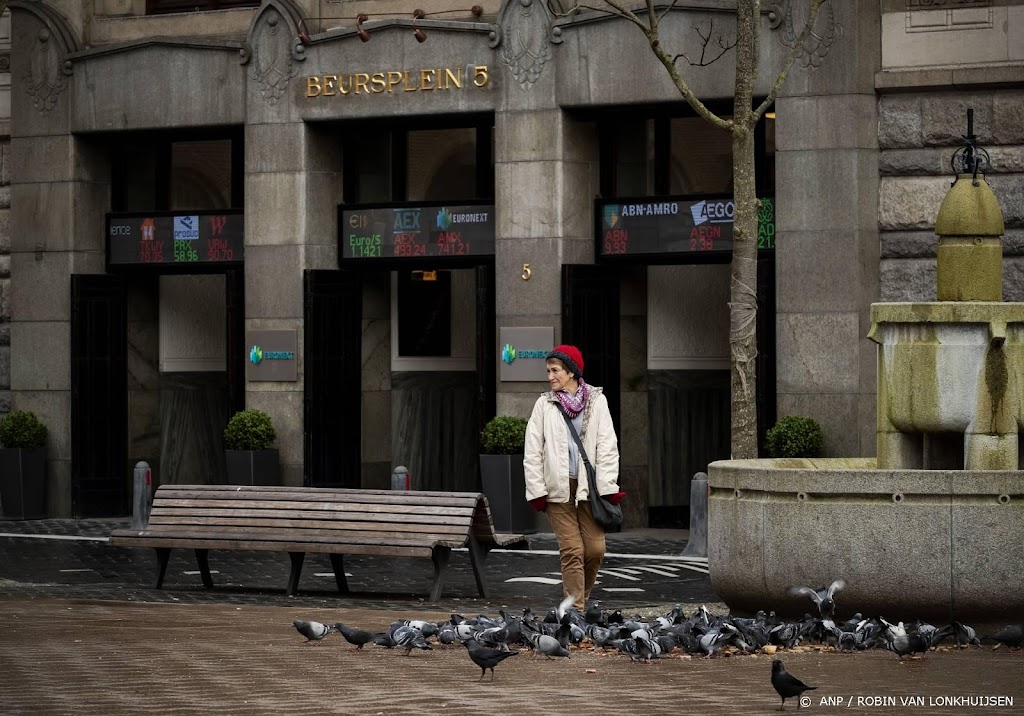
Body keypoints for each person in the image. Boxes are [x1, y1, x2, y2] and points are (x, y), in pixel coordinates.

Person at [523, 344, 625, 612]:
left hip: (588, 487)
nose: (550, 376)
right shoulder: (544, 404)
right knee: (571, 551)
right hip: (557, 488)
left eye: (555, 370)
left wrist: (608, 485)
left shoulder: (596, 401)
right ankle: (576, 612)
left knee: (594, 551)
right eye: (548, 371)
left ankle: (580, 600)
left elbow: (607, 446)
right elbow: (532, 451)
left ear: (571, 372)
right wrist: (536, 490)